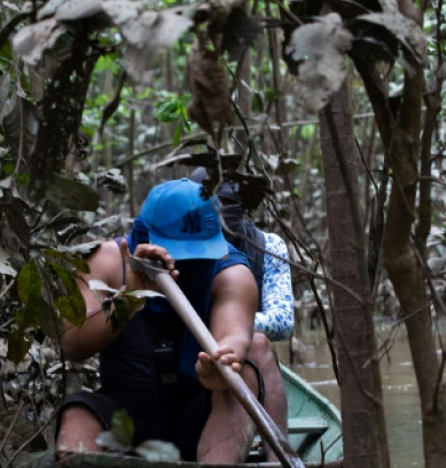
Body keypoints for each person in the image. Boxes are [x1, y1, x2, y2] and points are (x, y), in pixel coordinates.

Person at [55, 178, 260, 462]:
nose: (185, 267)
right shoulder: (107, 262)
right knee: (78, 414)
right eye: (177, 256)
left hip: (199, 415)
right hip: (127, 410)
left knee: (242, 376)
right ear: (144, 237)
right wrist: (131, 295)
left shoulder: (230, 272)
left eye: (196, 257)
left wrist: (220, 363)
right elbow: (72, 345)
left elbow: (234, 335)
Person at [190, 168, 294, 461]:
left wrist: (231, 329)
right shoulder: (182, 242)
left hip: (244, 358)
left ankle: (279, 455)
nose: (221, 212)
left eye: (229, 204)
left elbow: (283, 321)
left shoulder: (268, 245)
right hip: (192, 358)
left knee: (258, 343)